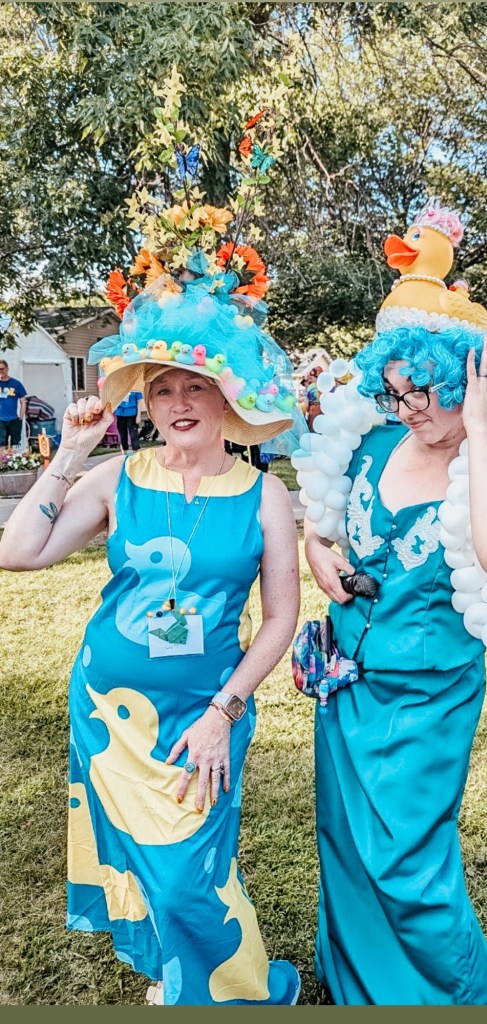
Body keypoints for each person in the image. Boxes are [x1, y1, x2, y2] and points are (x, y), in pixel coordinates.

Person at [0, 262, 303, 1002]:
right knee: (143, 862)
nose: (179, 403)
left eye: (195, 386)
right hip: (111, 715)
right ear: (146, 402)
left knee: (192, 873)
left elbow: (282, 619)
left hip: (207, 712)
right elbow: (18, 552)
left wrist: (223, 711)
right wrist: (71, 453)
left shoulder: (265, 494)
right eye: (163, 389)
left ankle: (245, 991)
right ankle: (182, 978)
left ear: (227, 397)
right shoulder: (117, 477)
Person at [302, 206, 487, 1005]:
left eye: (428, 391)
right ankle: (362, 986)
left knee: (408, 867)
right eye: (396, 390)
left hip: (427, 699)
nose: (409, 407)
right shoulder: (372, 444)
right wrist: (318, 555)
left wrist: (478, 429)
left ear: (466, 379)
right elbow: (321, 526)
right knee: (346, 845)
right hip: (345, 687)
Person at [0, 358, 26, 447]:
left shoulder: (16, 384)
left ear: (7, 368)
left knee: (15, 445)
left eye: (2, 369)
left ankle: (14, 456)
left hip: (14, 420)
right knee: (1, 445)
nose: (0, 371)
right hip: (0, 421)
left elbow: (23, 401)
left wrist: (21, 417)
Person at [114, 389, 143, 454]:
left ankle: (135, 451)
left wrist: (139, 415)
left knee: (133, 434)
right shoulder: (118, 387)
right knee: (122, 434)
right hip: (120, 414)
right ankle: (124, 451)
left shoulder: (136, 388)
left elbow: (139, 402)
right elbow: (113, 400)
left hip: (132, 414)